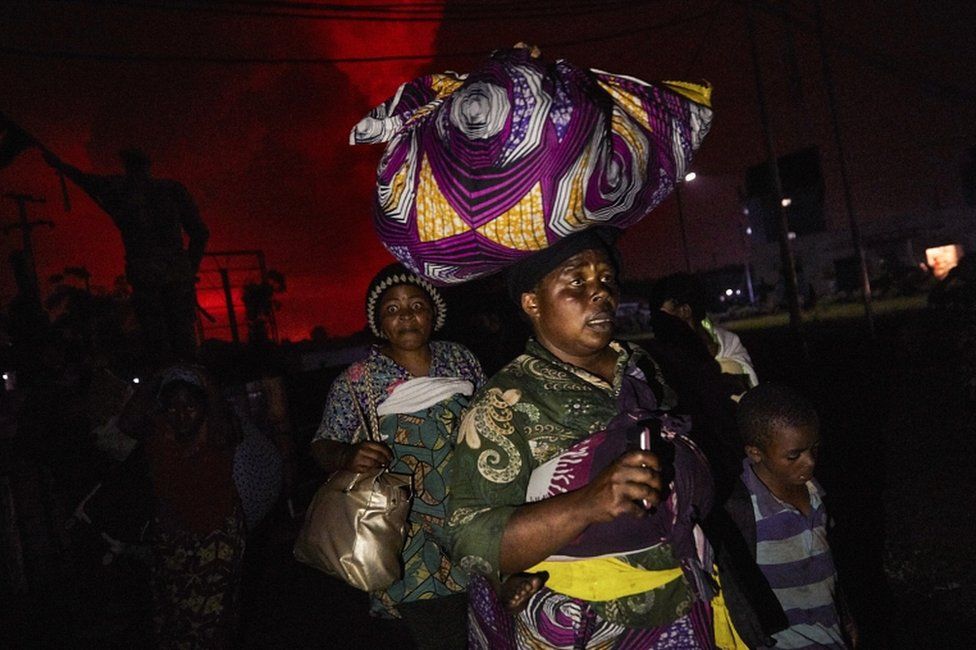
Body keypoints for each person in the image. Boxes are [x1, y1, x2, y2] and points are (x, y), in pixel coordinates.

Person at [447, 228, 723, 648]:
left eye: (606, 279)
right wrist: (587, 503)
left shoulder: (641, 366)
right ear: (532, 302)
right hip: (583, 626)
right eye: (577, 282)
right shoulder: (504, 403)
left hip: (681, 605)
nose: (601, 294)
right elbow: (469, 540)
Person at [309, 263, 485, 650]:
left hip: (471, 523)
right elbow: (322, 443)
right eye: (392, 309)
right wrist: (347, 454)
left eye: (416, 305)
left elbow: (493, 426)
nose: (406, 315)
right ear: (379, 323)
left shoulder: (460, 360)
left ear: (433, 313)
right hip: (406, 537)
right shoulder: (359, 379)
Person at [91, 364, 246, 649]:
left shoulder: (218, 433)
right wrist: (158, 377)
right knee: (174, 623)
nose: (181, 414)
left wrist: (199, 373)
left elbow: (219, 410)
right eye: (173, 407)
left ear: (204, 406)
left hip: (214, 540)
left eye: (190, 406)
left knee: (210, 623)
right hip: (173, 541)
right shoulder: (159, 436)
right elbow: (127, 423)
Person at [42, 148, 209, 365]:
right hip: (172, 280)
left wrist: (62, 166)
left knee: (160, 347)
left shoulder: (122, 191)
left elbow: (88, 182)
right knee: (182, 346)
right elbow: (200, 233)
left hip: (149, 280)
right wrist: (188, 268)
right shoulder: (169, 191)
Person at [726, 383, 856, 649]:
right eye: (794, 455)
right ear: (755, 452)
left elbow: (828, 566)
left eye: (814, 449)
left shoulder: (817, 493)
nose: (810, 462)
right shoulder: (742, 511)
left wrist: (845, 615)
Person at [650, 272, 759, 390]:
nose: (657, 320)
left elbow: (749, 386)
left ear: (685, 310)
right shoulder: (660, 354)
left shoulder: (728, 342)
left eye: (663, 314)